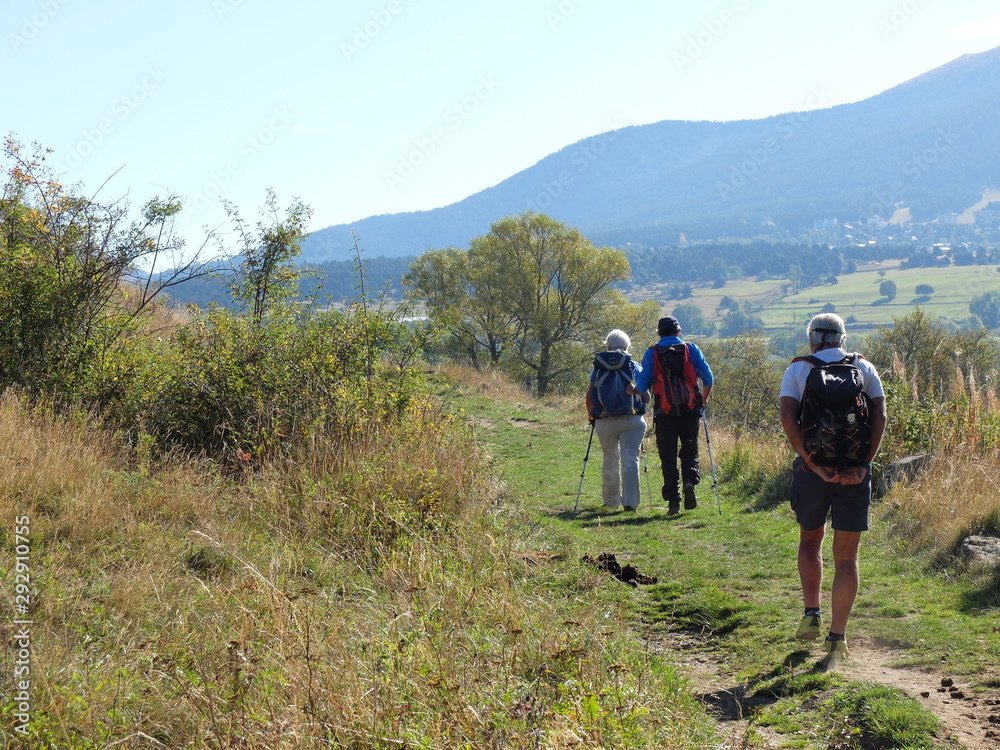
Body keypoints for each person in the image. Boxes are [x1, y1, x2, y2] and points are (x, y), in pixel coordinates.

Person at [778, 313, 887, 666]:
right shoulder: (864, 368)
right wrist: (862, 464)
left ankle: (812, 613)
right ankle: (837, 639)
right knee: (847, 557)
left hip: (814, 471)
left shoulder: (798, 370)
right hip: (855, 473)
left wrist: (811, 463)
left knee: (810, 540)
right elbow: (880, 417)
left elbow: (787, 418)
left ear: (812, 339)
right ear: (842, 338)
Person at [629, 316, 713, 515]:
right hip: (690, 409)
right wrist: (704, 398)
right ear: (679, 331)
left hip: (664, 411)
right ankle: (689, 482)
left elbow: (642, 385)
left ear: (659, 333)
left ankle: (673, 501)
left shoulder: (652, 353)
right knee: (690, 450)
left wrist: (634, 391)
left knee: (668, 455)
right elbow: (708, 378)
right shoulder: (691, 349)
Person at [585, 330, 649, 511]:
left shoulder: (598, 368)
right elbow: (646, 398)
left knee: (610, 459)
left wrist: (591, 414)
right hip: (633, 420)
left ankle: (611, 502)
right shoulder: (635, 366)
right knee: (630, 460)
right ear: (627, 348)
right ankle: (630, 504)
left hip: (605, 421)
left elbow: (590, 395)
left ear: (608, 346)